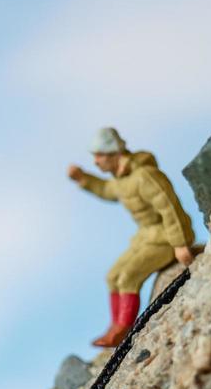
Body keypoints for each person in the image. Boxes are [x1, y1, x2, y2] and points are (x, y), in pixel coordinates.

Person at [68, 127, 196, 347]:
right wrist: (83, 179)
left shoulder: (144, 176)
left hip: (164, 238)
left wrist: (180, 243)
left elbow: (170, 208)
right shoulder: (120, 180)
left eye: (100, 156)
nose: (96, 162)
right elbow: (108, 190)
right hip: (145, 237)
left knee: (128, 276)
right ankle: (115, 325)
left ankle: (124, 328)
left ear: (114, 154)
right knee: (113, 276)